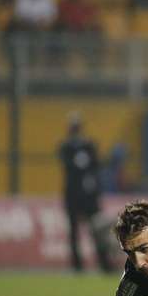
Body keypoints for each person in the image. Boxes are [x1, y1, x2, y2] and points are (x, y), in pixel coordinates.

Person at [57, 112, 112, 273]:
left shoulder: (89, 146)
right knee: (75, 231)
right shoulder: (66, 147)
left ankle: (103, 263)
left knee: (96, 229)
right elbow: (68, 165)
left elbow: (96, 165)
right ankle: (78, 265)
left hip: (88, 195)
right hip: (74, 195)